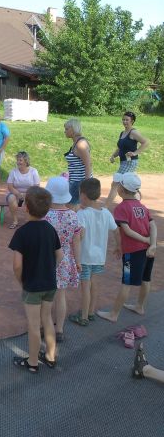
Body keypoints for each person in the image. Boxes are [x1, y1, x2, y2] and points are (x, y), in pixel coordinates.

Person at [9, 186, 63, 373]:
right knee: (47, 319)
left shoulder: (22, 233)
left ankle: (32, 362)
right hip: (50, 283)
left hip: (32, 285)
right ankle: (50, 356)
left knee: (33, 325)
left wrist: (21, 281)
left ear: (26, 208)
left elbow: (17, 265)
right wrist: (49, 269)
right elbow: (60, 254)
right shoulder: (50, 229)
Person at [97, 173, 157, 323]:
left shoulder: (121, 208)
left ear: (121, 190)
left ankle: (113, 314)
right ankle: (139, 306)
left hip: (133, 252)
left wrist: (144, 240)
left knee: (127, 281)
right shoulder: (142, 206)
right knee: (145, 278)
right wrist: (152, 243)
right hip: (148, 250)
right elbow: (153, 225)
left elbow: (127, 230)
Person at [69, 178, 120, 326]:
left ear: (83, 195)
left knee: (85, 286)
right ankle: (91, 312)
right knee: (94, 283)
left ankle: (83, 316)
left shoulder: (82, 214)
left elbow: (81, 235)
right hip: (99, 257)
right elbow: (116, 231)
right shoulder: (105, 212)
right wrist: (119, 246)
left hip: (85, 257)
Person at [44, 177, 81, 341]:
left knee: (46, 296)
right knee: (61, 295)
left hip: (47, 260)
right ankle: (59, 330)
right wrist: (78, 262)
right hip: (65, 258)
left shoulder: (45, 216)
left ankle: (46, 325)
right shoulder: (73, 216)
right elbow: (76, 241)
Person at [105, 112, 149, 209]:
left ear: (132, 121)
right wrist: (113, 156)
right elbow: (120, 148)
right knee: (128, 185)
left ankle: (106, 208)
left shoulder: (133, 132)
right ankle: (137, 205)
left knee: (115, 183)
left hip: (130, 162)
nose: (124, 121)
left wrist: (135, 153)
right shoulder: (122, 133)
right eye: (123, 119)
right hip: (123, 162)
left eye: (127, 120)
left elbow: (145, 142)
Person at [63, 118, 92, 210]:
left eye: (67, 129)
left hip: (79, 182)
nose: (65, 131)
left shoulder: (80, 144)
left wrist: (86, 184)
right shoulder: (77, 143)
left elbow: (88, 164)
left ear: (73, 129)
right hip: (76, 181)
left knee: (69, 208)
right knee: (76, 208)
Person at [6, 151, 40, 229]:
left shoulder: (33, 171)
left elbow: (36, 187)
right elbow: (10, 186)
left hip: (29, 193)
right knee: (11, 198)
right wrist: (18, 194)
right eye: (17, 160)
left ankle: (28, 222)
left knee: (29, 201)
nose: (18, 162)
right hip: (15, 193)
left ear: (26, 161)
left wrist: (26, 194)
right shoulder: (13, 171)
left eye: (20, 160)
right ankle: (15, 221)